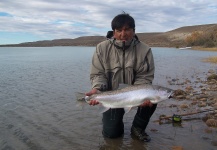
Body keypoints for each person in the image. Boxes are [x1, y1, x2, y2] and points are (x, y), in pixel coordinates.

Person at [85, 12, 157, 142]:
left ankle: (137, 129)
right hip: (112, 96)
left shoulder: (145, 50)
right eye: (119, 30)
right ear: (113, 32)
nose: (123, 34)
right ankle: (116, 127)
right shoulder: (101, 49)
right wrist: (97, 89)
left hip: (136, 94)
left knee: (154, 98)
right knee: (112, 135)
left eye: (127, 30)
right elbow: (98, 74)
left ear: (134, 31)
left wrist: (141, 95)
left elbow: (145, 76)